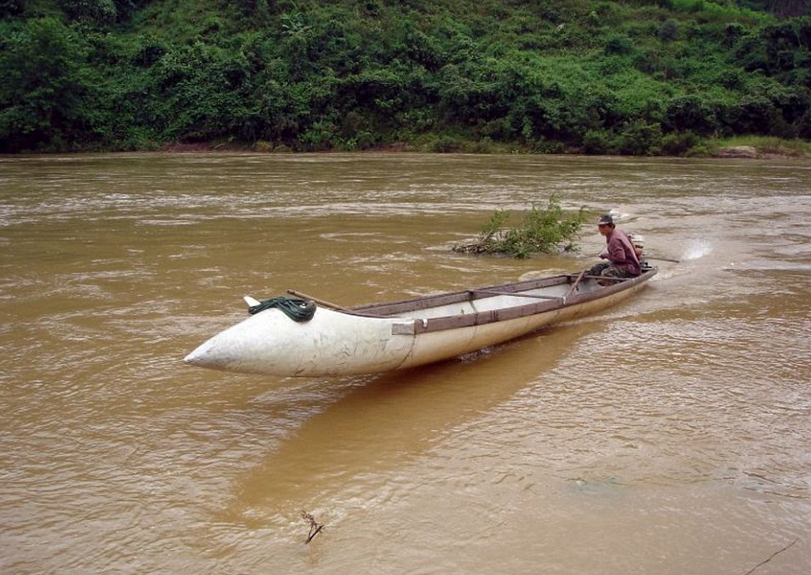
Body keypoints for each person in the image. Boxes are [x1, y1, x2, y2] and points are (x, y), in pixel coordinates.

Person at [588, 214, 641, 281]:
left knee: (606, 274)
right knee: (596, 268)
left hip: (630, 267)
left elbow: (620, 258)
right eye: (599, 226)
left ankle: (612, 287)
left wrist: (606, 256)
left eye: (603, 226)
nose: (601, 229)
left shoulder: (614, 239)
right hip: (622, 264)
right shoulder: (618, 231)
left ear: (610, 226)